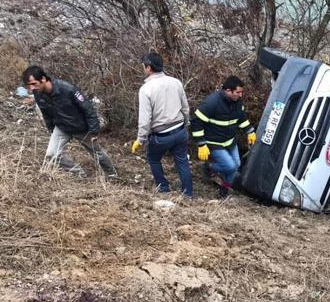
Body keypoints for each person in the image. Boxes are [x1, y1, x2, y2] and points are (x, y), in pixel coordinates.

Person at [22, 65, 116, 178]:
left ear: (43, 79)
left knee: (98, 153)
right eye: (29, 86)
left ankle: (112, 175)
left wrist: (94, 131)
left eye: (34, 84)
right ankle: (80, 175)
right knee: (52, 155)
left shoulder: (67, 89)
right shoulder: (38, 94)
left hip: (81, 127)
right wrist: (51, 128)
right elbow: (45, 112)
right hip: (62, 127)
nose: (32, 88)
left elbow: (88, 109)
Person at [130, 53, 193, 197]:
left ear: (148, 68)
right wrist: (186, 123)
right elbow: (185, 107)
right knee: (182, 161)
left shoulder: (146, 89)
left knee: (153, 158)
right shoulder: (175, 82)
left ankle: (164, 188)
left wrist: (140, 139)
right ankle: (188, 194)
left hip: (161, 135)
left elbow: (145, 120)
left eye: (144, 67)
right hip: (179, 131)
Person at [190, 75, 256, 197]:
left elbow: (240, 117)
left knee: (236, 165)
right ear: (228, 91)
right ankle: (209, 167)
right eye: (238, 92)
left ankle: (224, 190)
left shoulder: (237, 101)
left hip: (230, 141)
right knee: (230, 166)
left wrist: (250, 130)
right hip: (214, 142)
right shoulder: (212, 103)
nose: (241, 95)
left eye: (242, 92)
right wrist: (201, 144)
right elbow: (196, 122)